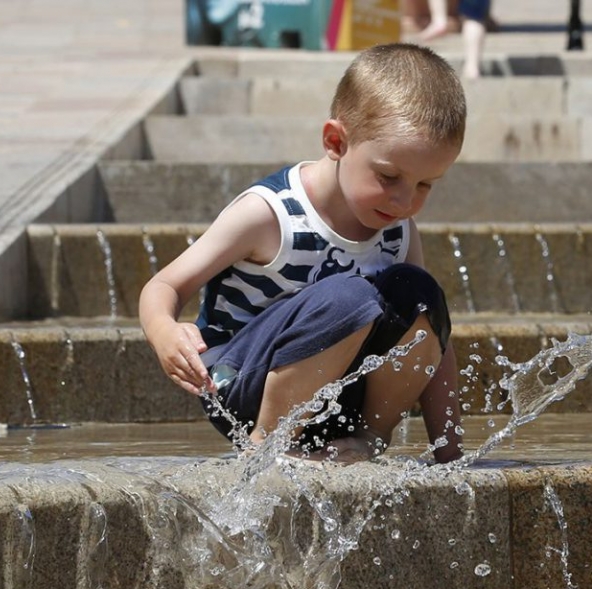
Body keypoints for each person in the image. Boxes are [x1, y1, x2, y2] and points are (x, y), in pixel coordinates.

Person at [139, 43, 466, 465]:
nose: (404, 201)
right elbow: (163, 284)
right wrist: (164, 331)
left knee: (418, 291)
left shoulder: (397, 231)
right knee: (348, 296)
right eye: (388, 176)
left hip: (337, 396)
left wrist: (451, 456)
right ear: (335, 141)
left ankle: (367, 439)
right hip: (243, 386)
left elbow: (431, 333)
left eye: (425, 185)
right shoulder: (270, 215)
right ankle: (267, 446)